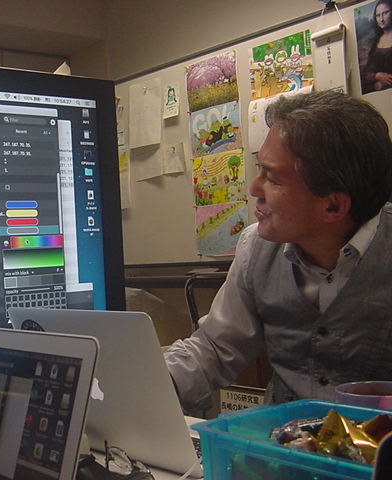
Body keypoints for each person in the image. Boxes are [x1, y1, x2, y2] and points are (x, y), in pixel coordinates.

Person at [164, 90, 392, 412]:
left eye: (272, 178)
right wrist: (141, 383)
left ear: (333, 206)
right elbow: (215, 349)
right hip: (280, 438)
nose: (253, 188)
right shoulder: (257, 246)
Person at [362, 0, 392, 93]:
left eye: (385, 13)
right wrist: (377, 76)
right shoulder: (375, 42)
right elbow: (367, 72)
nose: (381, 19)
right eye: (378, 15)